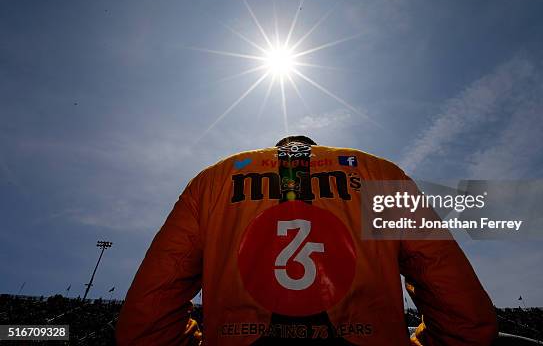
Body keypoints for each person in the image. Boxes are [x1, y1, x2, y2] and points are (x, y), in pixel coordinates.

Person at [116, 136, 497, 345]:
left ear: (276, 149)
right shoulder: (378, 172)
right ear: (316, 148)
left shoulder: (213, 180)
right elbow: (456, 299)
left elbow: (147, 318)